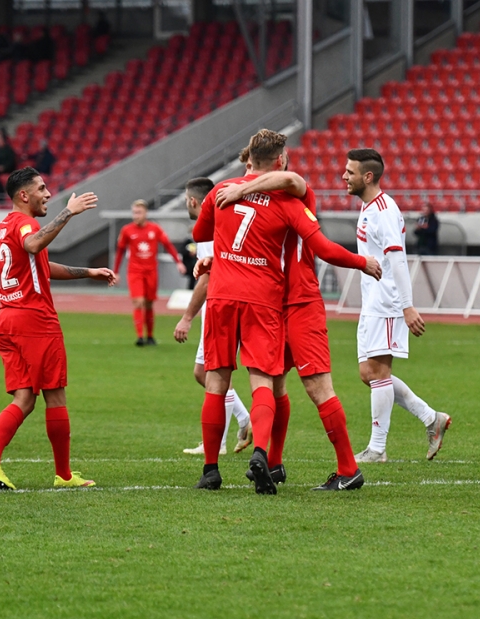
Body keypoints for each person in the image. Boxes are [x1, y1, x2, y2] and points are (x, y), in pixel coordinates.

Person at [191, 129, 381, 494]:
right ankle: (272, 462)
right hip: (271, 302)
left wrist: (361, 262)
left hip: (300, 302)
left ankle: (349, 468)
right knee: (275, 385)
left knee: (315, 385)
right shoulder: (279, 200)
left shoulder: (295, 195)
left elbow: (296, 189)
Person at [0, 168, 116, 491]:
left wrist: (88, 272)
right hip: (35, 320)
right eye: (41, 188)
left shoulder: (4, 225)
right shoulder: (27, 224)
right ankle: (64, 475)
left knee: (24, 398)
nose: (48, 193)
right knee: (56, 394)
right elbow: (34, 245)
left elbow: (38, 262)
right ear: (24, 195)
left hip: (7, 318)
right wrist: (69, 212)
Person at [343, 148, 451, 464]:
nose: (344, 177)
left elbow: (397, 259)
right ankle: (432, 418)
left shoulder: (384, 211)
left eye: (349, 172)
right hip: (374, 301)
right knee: (369, 373)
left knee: (378, 373)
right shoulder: (369, 208)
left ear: (368, 176)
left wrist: (407, 306)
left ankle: (377, 448)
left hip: (388, 302)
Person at [174, 177, 253, 457]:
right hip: (226, 307)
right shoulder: (221, 217)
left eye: (186, 200)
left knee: (216, 376)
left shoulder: (208, 228)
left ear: (193, 201)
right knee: (204, 374)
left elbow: (206, 279)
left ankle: (216, 444)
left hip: (219, 310)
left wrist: (186, 317)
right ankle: (244, 420)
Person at [114, 199, 186, 346]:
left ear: (145, 213)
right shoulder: (127, 230)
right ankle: (140, 337)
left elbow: (168, 245)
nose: (136, 215)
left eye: (139, 212)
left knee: (148, 304)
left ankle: (150, 336)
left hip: (151, 271)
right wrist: (115, 272)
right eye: (134, 212)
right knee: (138, 302)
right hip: (135, 271)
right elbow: (120, 251)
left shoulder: (155, 229)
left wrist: (178, 262)